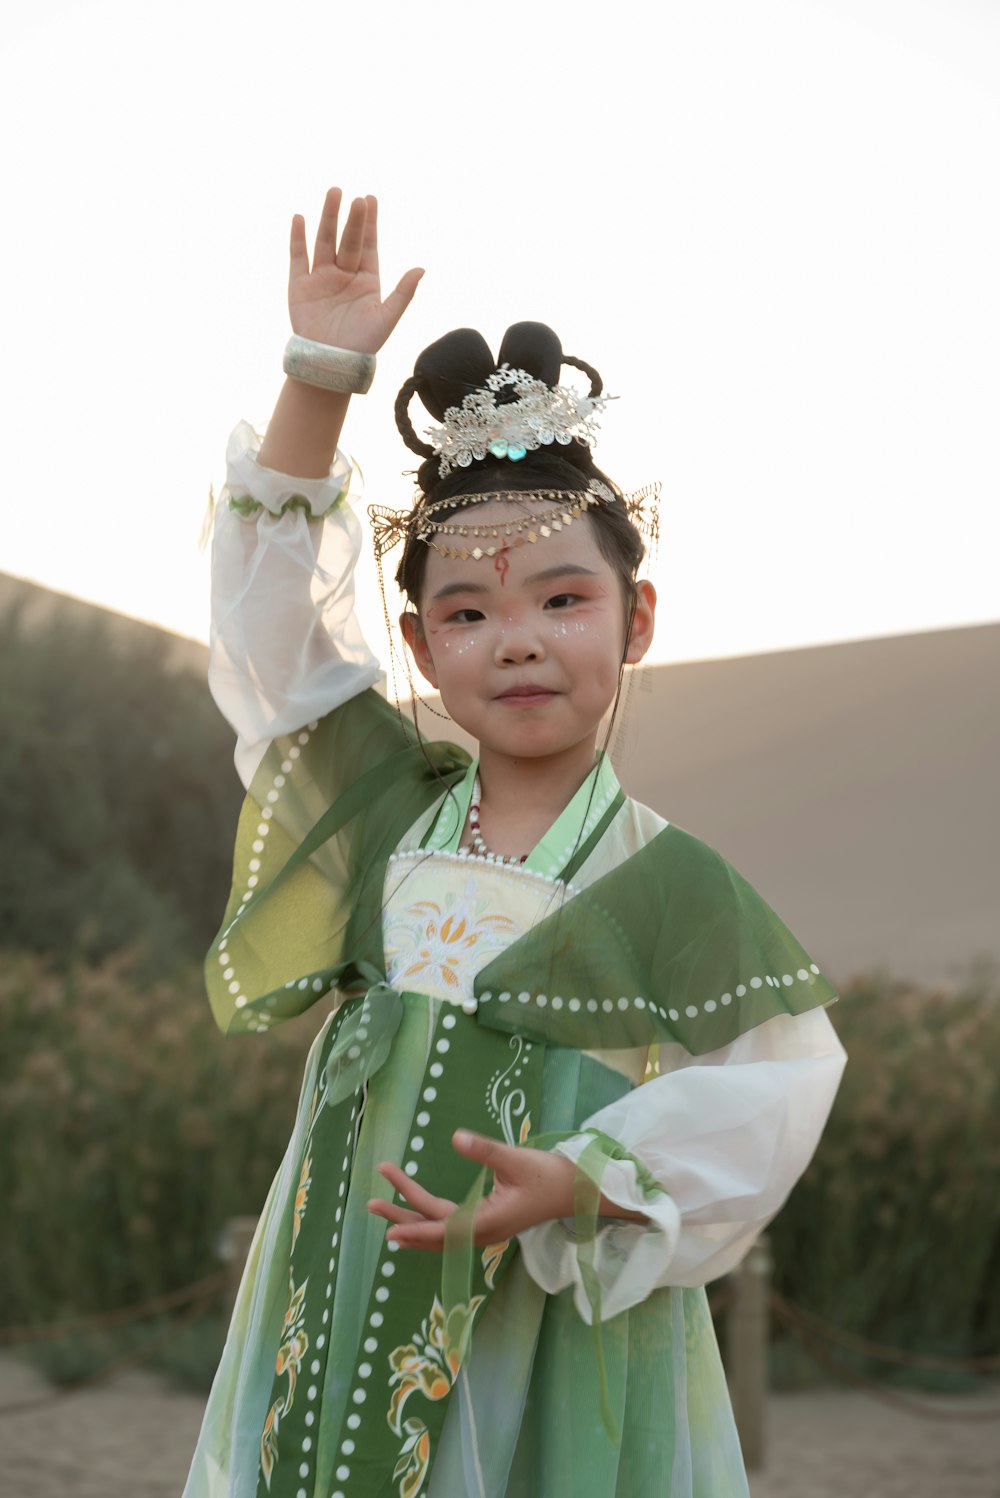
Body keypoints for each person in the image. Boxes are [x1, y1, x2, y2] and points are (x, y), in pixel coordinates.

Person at [184, 188, 847, 1498]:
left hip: (548, 1343)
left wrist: (584, 1177)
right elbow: (266, 647)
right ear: (422, 643)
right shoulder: (378, 806)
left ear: (636, 615)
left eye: (562, 596)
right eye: (471, 609)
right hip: (333, 1292)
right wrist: (320, 377)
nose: (521, 636)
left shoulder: (668, 881)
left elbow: (777, 1090)